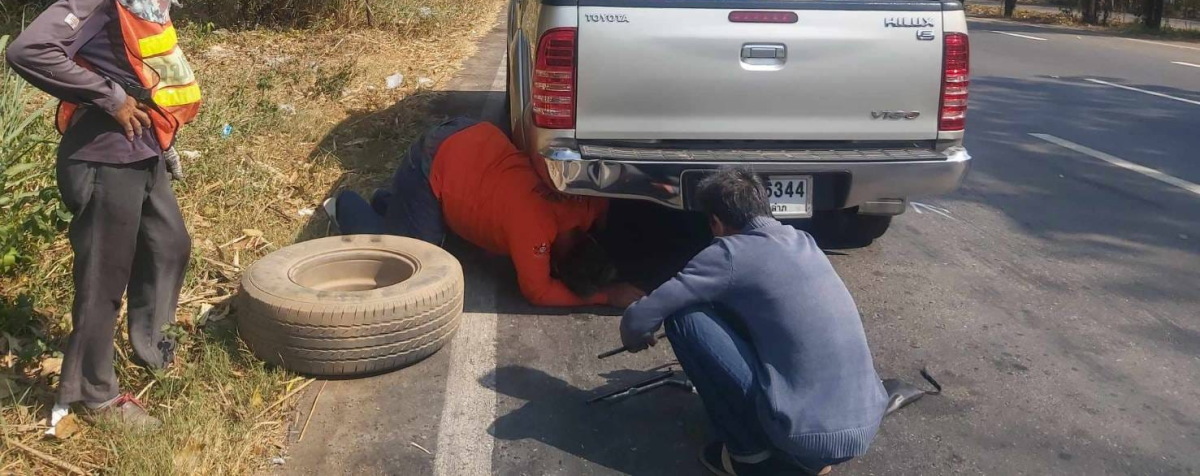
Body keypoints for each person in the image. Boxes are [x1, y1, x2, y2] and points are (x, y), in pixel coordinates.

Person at [6, 0, 223, 431]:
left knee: (170, 243)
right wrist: (106, 96)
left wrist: (158, 132)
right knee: (103, 278)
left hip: (141, 148)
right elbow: (30, 49)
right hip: (103, 156)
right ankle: (94, 394)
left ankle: (152, 345)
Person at [618, 168, 888, 476]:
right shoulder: (803, 241)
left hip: (805, 437)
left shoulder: (729, 252)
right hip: (861, 427)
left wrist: (637, 336)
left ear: (716, 222)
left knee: (684, 319)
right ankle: (808, 457)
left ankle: (748, 457)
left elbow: (640, 318)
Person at [329, 118, 643, 308]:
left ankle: (395, 204)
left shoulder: (586, 206)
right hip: (430, 163)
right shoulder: (534, 230)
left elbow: (604, 206)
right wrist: (607, 297)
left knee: (429, 227)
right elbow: (539, 292)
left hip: (470, 134)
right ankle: (345, 202)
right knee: (409, 263)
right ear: (556, 264)